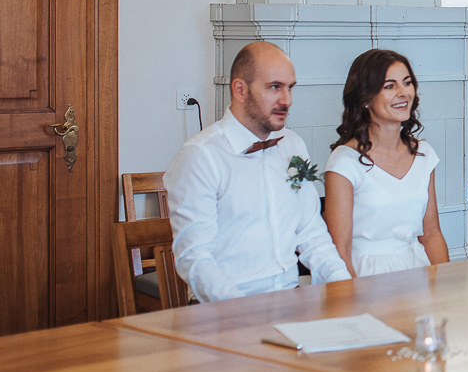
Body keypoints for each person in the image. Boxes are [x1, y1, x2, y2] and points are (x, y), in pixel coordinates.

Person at [163, 42, 351, 302]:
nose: (287, 100)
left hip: (290, 300)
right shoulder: (200, 156)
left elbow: (311, 233)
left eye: (290, 88)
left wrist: (345, 288)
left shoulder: (293, 145)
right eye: (275, 87)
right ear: (240, 90)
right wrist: (243, 312)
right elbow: (194, 258)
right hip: (223, 308)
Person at [323, 49, 449, 276]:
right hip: (364, 275)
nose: (403, 93)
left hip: (416, 268)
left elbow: (431, 235)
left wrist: (447, 287)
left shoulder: (424, 154)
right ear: (365, 98)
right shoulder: (344, 162)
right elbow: (339, 249)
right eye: (390, 86)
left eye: (407, 83)